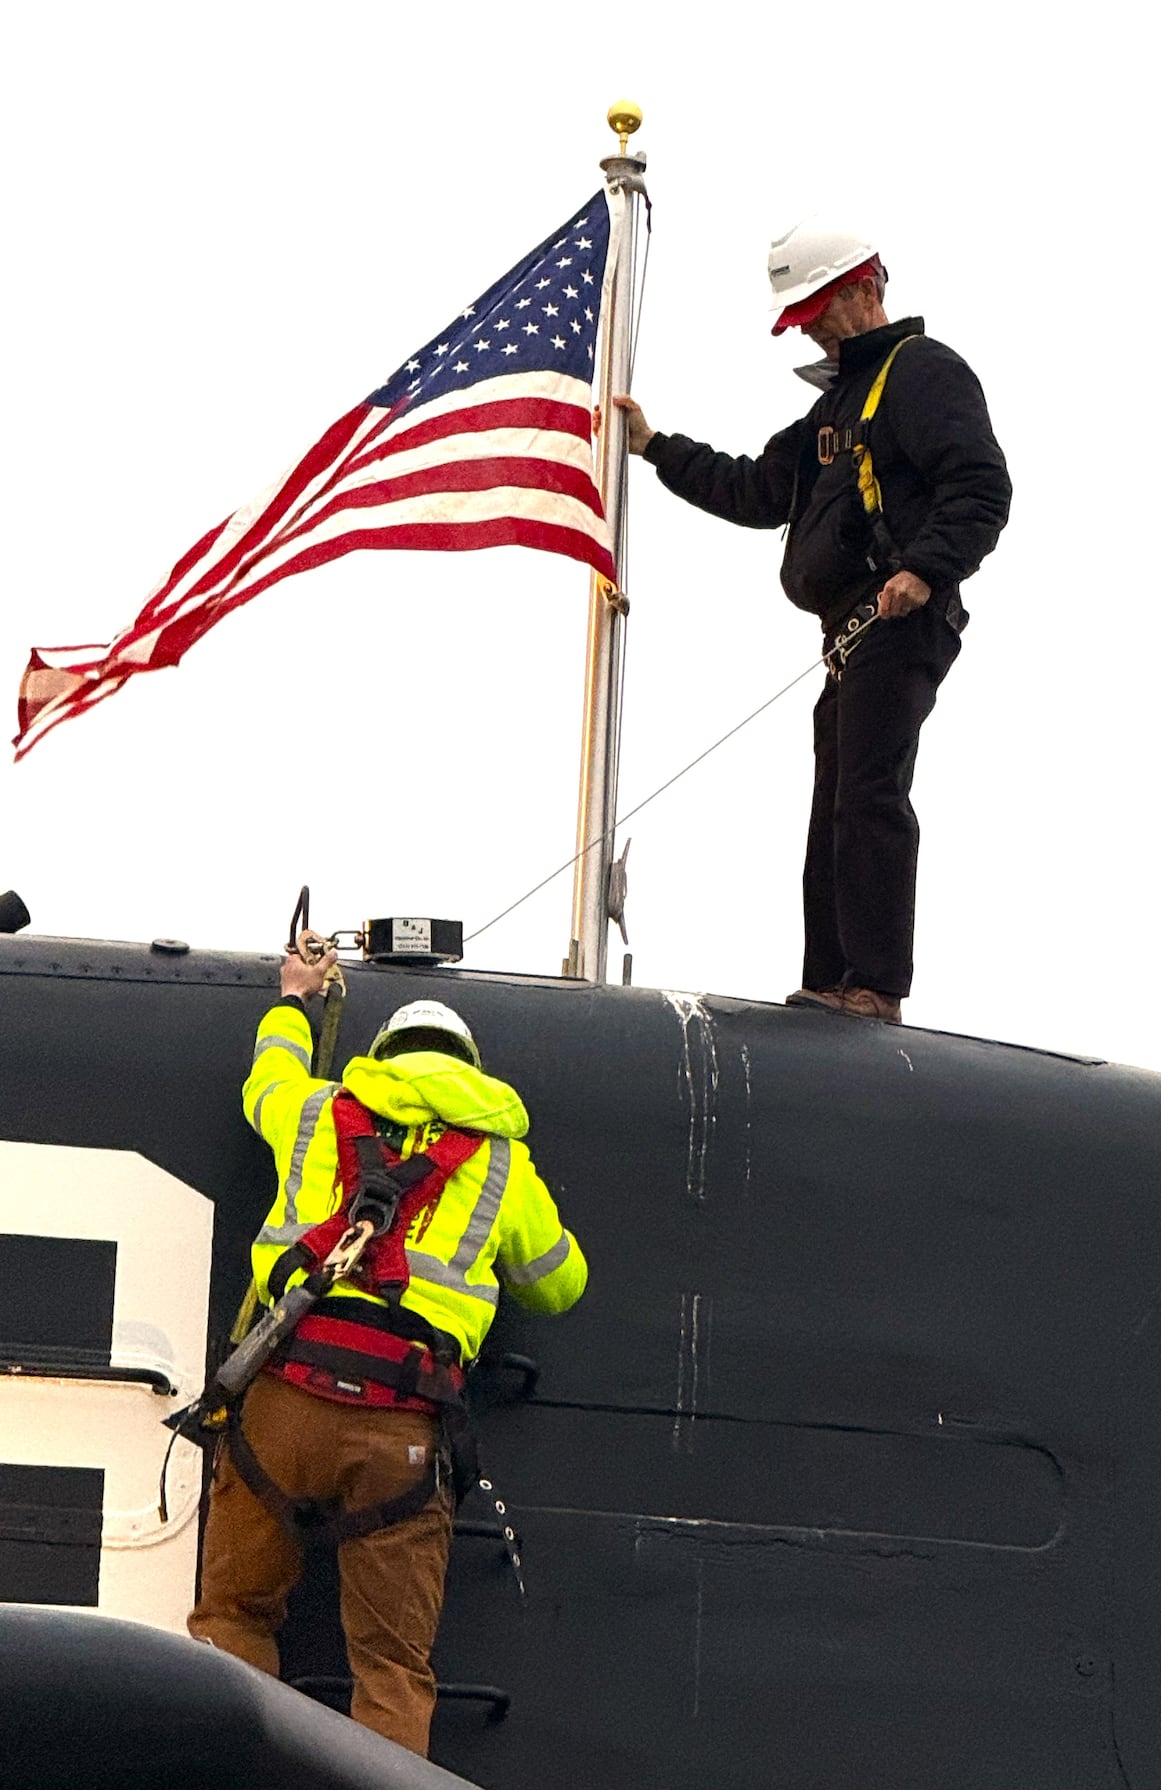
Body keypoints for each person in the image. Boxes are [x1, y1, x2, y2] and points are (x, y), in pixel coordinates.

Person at [188, 946, 587, 1756]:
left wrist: (296, 998)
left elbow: (268, 1077)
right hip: (401, 1425)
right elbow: (558, 1283)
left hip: (284, 1402)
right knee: (392, 1669)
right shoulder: (499, 1160)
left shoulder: (314, 1112)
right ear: (469, 1068)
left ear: (382, 1057)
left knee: (233, 1616)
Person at [614, 219, 1011, 1025]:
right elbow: (756, 489)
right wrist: (654, 446)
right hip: (852, 636)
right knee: (838, 801)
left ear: (865, 289)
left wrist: (922, 570)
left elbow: (981, 488)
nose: (808, 330)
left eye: (815, 311)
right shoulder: (835, 408)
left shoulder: (922, 372)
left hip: (898, 622)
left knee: (866, 794)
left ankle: (873, 987)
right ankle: (831, 983)